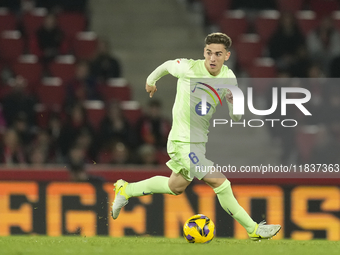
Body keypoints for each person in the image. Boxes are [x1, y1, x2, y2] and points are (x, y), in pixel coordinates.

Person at [110, 33, 281, 240]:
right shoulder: (189, 67)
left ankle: (125, 189)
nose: (212, 58)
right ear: (204, 52)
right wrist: (151, 81)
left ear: (227, 56)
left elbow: (236, 117)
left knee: (175, 186)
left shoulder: (229, 78)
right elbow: (167, 65)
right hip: (182, 141)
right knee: (220, 183)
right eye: (209, 53)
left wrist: (233, 101)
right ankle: (253, 229)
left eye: (218, 54)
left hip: (198, 143)